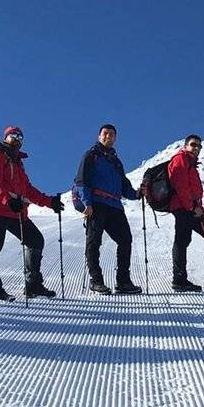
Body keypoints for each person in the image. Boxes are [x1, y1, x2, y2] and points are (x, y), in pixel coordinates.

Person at [0, 126, 65, 301]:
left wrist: (50, 202)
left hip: (16, 211)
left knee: (35, 240)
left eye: (20, 137)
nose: (17, 139)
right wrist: (8, 200)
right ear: (5, 137)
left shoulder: (18, 163)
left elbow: (28, 190)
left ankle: (33, 285)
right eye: (13, 135)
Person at [74, 124, 142, 295]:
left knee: (125, 240)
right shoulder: (91, 155)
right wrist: (87, 203)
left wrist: (137, 194)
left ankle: (123, 282)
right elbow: (82, 181)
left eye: (112, 134)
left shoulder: (116, 162)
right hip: (96, 204)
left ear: (115, 138)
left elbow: (125, 187)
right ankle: (96, 281)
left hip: (115, 207)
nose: (108, 136)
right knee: (94, 242)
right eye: (105, 133)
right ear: (99, 136)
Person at [168, 134, 204, 292]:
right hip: (182, 208)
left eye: (199, 146)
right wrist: (192, 208)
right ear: (185, 146)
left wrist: (202, 211)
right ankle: (180, 279)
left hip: (190, 208)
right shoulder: (180, 159)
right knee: (184, 240)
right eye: (193, 144)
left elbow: (194, 192)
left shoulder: (191, 165)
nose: (196, 148)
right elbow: (181, 186)